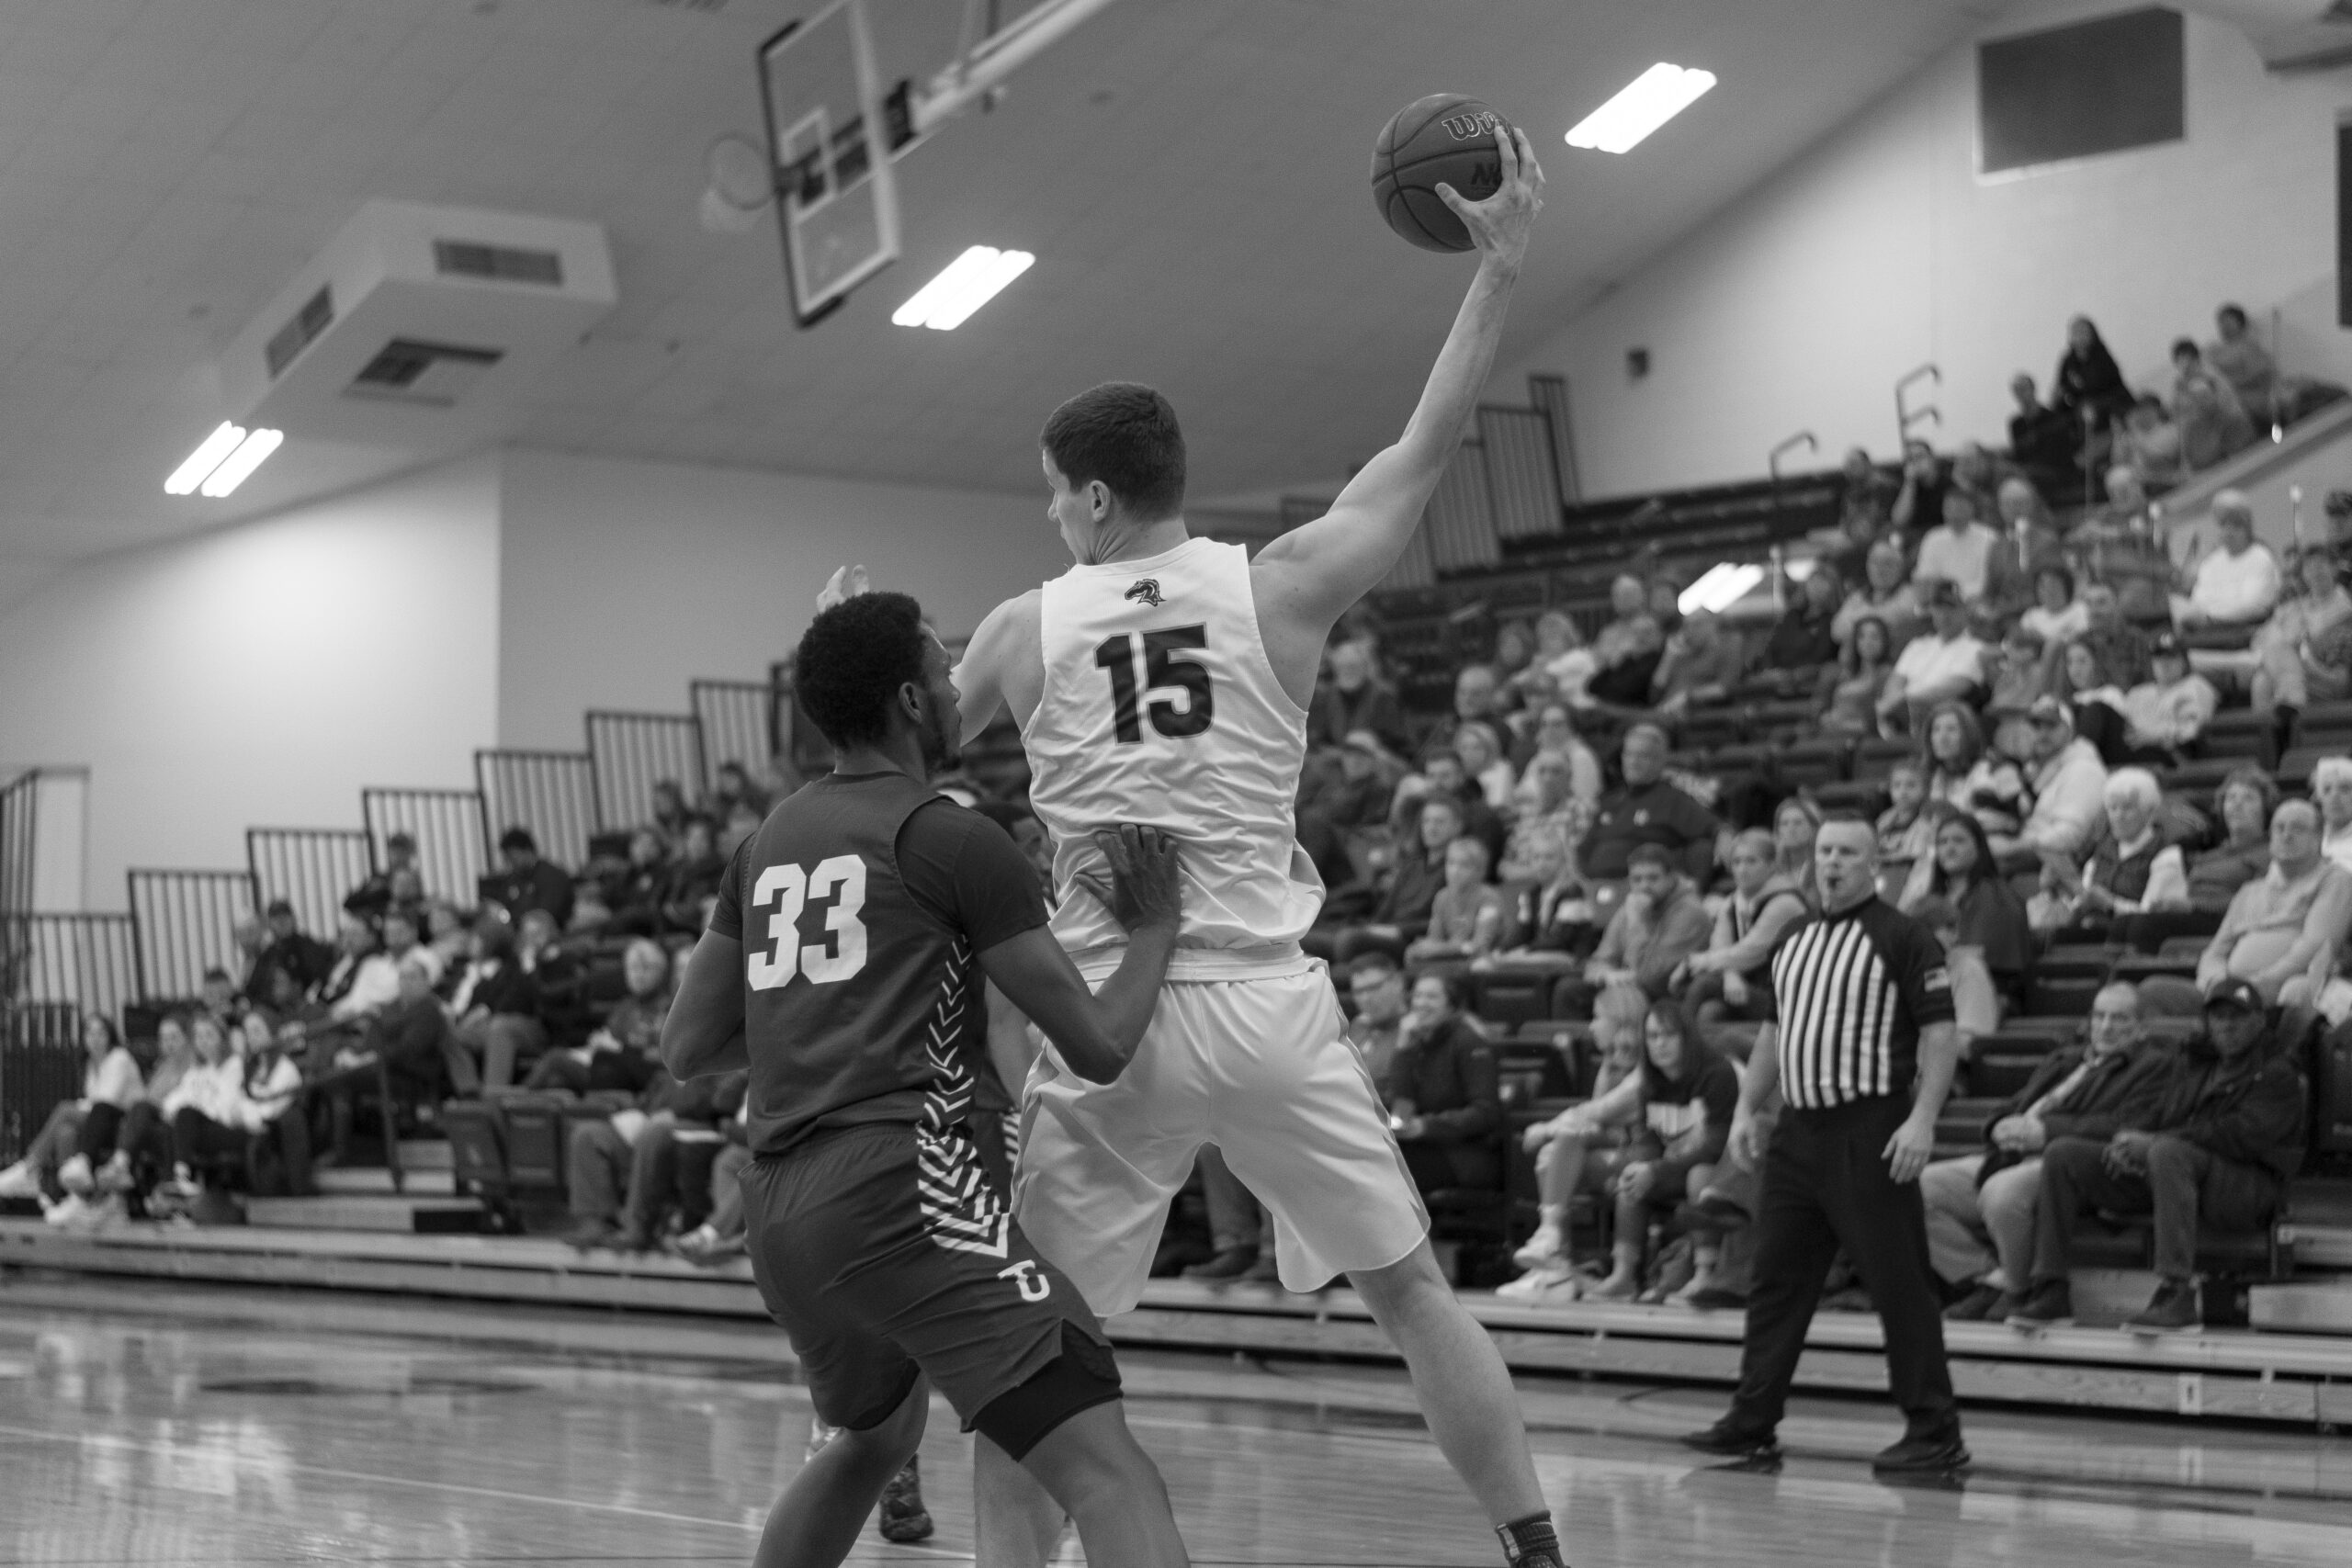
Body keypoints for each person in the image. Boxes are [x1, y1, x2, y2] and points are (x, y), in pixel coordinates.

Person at [935, 130, 1566, 1568]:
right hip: (1270, 1003)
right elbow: (1428, 451)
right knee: (1411, 1291)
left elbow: (893, 768)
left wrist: (848, 650)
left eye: (1051, 493)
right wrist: (1502, 268)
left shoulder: (1025, 627)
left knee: (1042, 1354)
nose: (1049, 515)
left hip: (1111, 1017)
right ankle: (1536, 1547)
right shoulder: (1280, 584)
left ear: (1093, 500)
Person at [659, 592, 1198, 1568]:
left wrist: (827, 1019)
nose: (959, 689)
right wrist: (1154, 928)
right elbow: (1099, 1047)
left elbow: (687, 1046)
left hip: (778, 1208)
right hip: (902, 1188)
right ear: (911, 699)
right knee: (1109, 1472)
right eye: (947, 673)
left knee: (870, 1442)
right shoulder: (952, 838)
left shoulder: (764, 842)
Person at [1682, 817, 1967, 1474]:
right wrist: (1748, 1108)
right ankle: (1753, 1422)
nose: (1832, 862)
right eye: (1824, 852)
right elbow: (1773, 1036)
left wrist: (1922, 1119)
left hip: (1869, 1127)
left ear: (1875, 864)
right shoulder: (1797, 937)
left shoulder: (1904, 935)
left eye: (1847, 852)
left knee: (1899, 1282)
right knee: (1775, 1279)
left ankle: (1936, 1430)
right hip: (1797, 1132)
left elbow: (1942, 1033)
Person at [2011, 978, 2306, 1334]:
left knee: (2168, 1151)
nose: (2226, 1025)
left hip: (2248, 1189)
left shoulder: (2278, 1073)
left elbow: (2238, 1136)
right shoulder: (2195, 1062)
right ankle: (2051, 1287)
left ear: (2259, 1021)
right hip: (2178, 1173)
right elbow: (2160, 1112)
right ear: (2207, 1021)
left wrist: (2151, 1142)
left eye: (2238, 1017)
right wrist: (2125, 1141)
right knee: (2064, 1154)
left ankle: (2176, 1292)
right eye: (2219, 1016)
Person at [1925, 982, 2169, 1321]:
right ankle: (1987, 1278)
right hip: (2008, 1154)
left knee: (2002, 1194)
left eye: (2119, 1018)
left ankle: (2017, 1290)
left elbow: (2125, 1125)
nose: (2106, 1026)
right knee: (1913, 1186)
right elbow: (2015, 1104)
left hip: (2069, 1166)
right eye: (2099, 1016)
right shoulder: (2065, 1058)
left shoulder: (2155, 1065)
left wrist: (2047, 1132)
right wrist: (1997, 1125)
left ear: (2142, 1027)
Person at [1500, 984, 1651, 1299]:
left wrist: (1547, 1128)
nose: (1591, 1026)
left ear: (1620, 1020)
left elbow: (1602, 1110)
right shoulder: (1611, 1063)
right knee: (1554, 1153)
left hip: (1648, 1153)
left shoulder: (1646, 1067)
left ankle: (1553, 1251)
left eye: (1597, 1018)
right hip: (1618, 1148)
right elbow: (1595, 1122)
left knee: (1558, 1145)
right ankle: (1553, 1264)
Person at [1586, 998, 1739, 1302]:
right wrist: (1638, 1164)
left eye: (1667, 1035)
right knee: (1633, 1174)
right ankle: (1624, 1276)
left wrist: (1655, 1170)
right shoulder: (1649, 1081)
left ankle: (1704, 1273)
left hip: (1724, 1168)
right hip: (1673, 1167)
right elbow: (1648, 1140)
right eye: (1652, 1036)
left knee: (1699, 1175)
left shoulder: (1717, 1073)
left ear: (1686, 1037)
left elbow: (1715, 1147)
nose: (1659, 1044)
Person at [2192, 798, 2352, 1008]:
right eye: (2280, 828)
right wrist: (2218, 982)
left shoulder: (2334, 879)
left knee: (2295, 991)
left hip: (2286, 985)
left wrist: (2262, 982)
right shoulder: (2249, 891)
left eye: (2298, 828)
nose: (2287, 835)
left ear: (2318, 837)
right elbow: (2215, 952)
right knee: (2156, 991)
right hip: (2230, 993)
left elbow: (2317, 945)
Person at [0, 1014, 142, 1218]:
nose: (95, 1039)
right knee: (65, 1132)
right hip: (99, 1123)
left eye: (101, 1033)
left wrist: (79, 1107)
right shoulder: (91, 1065)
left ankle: (29, 1167)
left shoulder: (119, 1058)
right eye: (90, 1033)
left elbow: (107, 1101)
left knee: (65, 1109)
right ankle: (76, 1199)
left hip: (123, 1125)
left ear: (111, 1036)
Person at [1384, 973, 1503, 1198]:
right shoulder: (1417, 1042)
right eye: (1417, 996)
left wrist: (1426, 1126)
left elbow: (1486, 1113)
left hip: (1465, 1155)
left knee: (1382, 1171)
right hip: (1426, 1147)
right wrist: (1403, 1049)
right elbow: (1402, 1108)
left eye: (1431, 997)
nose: (1420, 1004)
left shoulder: (1469, 1042)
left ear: (1453, 1005)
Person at [1908, 812, 2032, 1028]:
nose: (1949, 848)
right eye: (1942, 842)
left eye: (1959, 840)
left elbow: (1990, 961)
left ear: (1979, 847)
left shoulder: (1996, 895)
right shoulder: (1930, 899)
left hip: (1986, 993)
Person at [2029, 768, 2184, 940]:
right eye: (2112, 808)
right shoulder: (2101, 849)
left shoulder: (2166, 854)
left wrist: (2110, 904)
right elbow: (2082, 899)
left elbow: (2153, 917)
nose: (2118, 816)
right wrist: (2062, 891)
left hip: (2130, 937)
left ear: (2149, 812)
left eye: (2127, 808)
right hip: (2091, 929)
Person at [1679, 829, 1809, 1025]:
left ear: (1772, 865)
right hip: (1748, 988)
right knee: (1709, 1013)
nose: (1742, 869)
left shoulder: (1786, 901)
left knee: (1703, 983)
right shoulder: (1734, 900)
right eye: (1737, 862)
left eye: (1751, 861)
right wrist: (1731, 974)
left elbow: (1751, 952)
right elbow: (1721, 947)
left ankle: (1679, 1039)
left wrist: (1696, 961)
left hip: (1787, 997)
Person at [1563, 843, 1710, 1015]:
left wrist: (1637, 922)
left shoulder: (1690, 913)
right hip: (1629, 986)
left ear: (1671, 878)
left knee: (1626, 996)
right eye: (1637, 879)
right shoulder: (1632, 906)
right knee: (1568, 990)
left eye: (1653, 878)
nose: (1644, 886)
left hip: (1667, 996)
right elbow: (1599, 960)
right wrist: (1606, 975)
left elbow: (1650, 977)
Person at [1579, 722, 1719, 900]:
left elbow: (1717, 829)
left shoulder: (1673, 799)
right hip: (1595, 891)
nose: (1633, 762)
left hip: (1643, 893)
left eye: (1642, 756)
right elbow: (1583, 851)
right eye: (1628, 754)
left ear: (1661, 761)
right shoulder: (1608, 801)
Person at [1996, 697, 2108, 866]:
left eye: (2051, 726)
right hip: (2028, 857)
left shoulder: (2084, 769)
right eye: (2036, 726)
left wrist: (2012, 848)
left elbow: (2070, 837)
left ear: (2070, 730)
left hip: (2054, 867)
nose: (2042, 733)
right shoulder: (2036, 771)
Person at [1877, 581, 1988, 733]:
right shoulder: (1917, 645)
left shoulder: (1976, 648)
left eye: (1952, 608)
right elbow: (1894, 683)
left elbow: (1951, 689)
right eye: (1939, 608)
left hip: (1940, 720)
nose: (1944, 614)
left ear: (1965, 611)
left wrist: (1902, 700)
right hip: (1903, 716)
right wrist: (1892, 703)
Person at [2252, 547, 2352, 716]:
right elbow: (2258, 641)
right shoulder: (2291, 608)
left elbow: (2340, 678)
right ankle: (2283, 729)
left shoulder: (2346, 611)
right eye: (2309, 566)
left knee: (2266, 674)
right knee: (2262, 679)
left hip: (2321, 673)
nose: (2315, 571)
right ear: (2303, 575)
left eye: (2321, 564)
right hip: (2289, 668)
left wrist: (2297, 645)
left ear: (2334, 569)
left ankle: (2290, 706)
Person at [1403, 836, 1510, 969]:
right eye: (1451, 863)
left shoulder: (1489, 898)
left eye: (1464, 865)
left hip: (1483, 959)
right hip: (1450, 956)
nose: (1455, 871)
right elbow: (1435, 939)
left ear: (1480, 871)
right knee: (1412, 952)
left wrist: (1442, 949)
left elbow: (1480, 945)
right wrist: (1429, 948)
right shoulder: (1441, 897)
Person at [2117, 634, 2218, 761]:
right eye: (2158, 658)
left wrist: (2155, 737)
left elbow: (2192, 730)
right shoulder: (2137, 692)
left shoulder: (2195, 686)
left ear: (2184, 662)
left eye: (2171, 657)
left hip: (2170, 755)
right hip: (2131, 751)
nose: (2164, 663)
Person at [1306, 638, 1408, 758]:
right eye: (1342, 667)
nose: (1348, 671)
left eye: (1353, 666)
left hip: (1373, 760)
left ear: (1365, 667)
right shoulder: (1324, 698)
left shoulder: (1383, 697)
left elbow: (1397, 742)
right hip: (1334, 762)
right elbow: (1316, 739)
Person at [2171, 338, 2256, 471]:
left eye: (2186, 359)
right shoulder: (2179, 387)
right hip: (2203, 431)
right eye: (2179, 361)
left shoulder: (2211, 374)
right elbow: (2181, 420)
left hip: (2227, 421)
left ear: (2195, 358)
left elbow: (2224, 403)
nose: (2183, 365)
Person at [1831, 539, 1923, 650]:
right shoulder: (1857, 596)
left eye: (1887, 563)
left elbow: (1895, 621)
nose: (1879, 569)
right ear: (1867, 566)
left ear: (1900, 568)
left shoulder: (1911, 594)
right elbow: (1836, 631)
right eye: (1874, 563)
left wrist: (1858, 621)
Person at [1913, 491, 2001, 606]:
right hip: (1938, 600)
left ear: (1972, 509)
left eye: (1960, 509)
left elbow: (1986, 582)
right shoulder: (1933, 537)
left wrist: (1956, 595)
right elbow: (1925, 576)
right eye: (1949, 509)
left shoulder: (1990, 539)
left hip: (1973, 600)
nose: (1954, 515)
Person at [2052, 314, 2134, 436]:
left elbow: (2108, 384)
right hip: (2084, 410)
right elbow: (2062, 388)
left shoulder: (2102, 356)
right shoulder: (2068, 362)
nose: (2080, 337)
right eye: (2076, 332)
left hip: (2111, 403)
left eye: (2084, 332)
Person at [1815, 615, 1894, 738]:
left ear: (1885, 641)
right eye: (1862, 636)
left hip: (1862, 740)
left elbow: (1883, 722)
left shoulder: (1888, 675)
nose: (1868, 642)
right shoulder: (1846, 674)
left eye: (1875, 637)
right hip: (1830, 735)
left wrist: (1842, 725)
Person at [2207, 302, 2281, 429]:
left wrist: (2233, 383)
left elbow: (2263, 374)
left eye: (2228, 322)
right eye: (2221, 323)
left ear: (2239, 323)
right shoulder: (2215, 351)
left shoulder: (2249, 346)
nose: (2224, 327)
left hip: (2253, 397)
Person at [485, 827, 576, 930]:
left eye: (513, 858)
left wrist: (511, 917)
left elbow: (544, 915)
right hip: (515, 931)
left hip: (547, 933)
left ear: (527, 851)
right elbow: (503, 909)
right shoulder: (512, 880)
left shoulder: (552, 877)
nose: (510, 863)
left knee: (532, 926)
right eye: (507, 859)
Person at [1759, 565, 1842, 677]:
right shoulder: (1792, 616)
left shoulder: (1832, 621)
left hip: (1803, 680)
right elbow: (1772, 647)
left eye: (1822, 583)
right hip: (1775, 676)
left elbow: (1820, 656)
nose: (1816, 587)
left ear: (1832, 588)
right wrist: (1769, 669)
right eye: (1813, 582)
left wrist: (1790, 674)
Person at [2018, 564, 2089, 651]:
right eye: (2043, 586)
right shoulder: (2031, 615)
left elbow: (2081, 640)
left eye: (2054, 584)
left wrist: (2044, 641)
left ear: (2067, 587)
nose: (2049, 591)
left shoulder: (2081, 610)